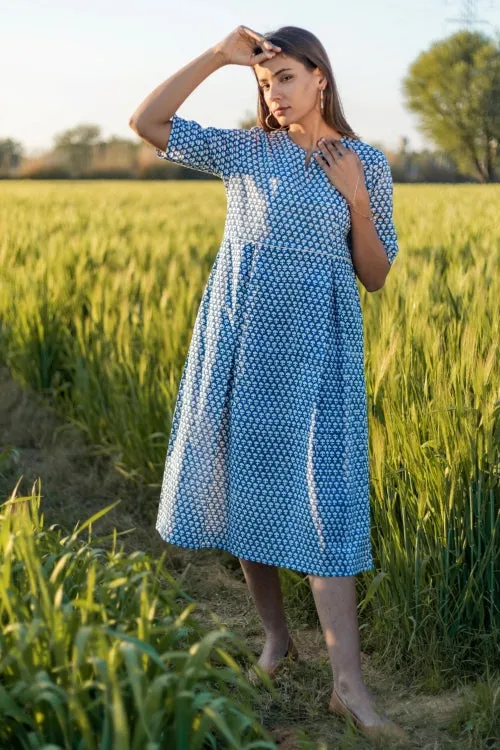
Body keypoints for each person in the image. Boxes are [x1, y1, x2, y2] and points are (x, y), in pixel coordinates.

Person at [129, 25, 406, 743]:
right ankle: (277, 640)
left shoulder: (366, 163)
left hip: (321, 350)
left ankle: (349, 686)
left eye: (285, 77)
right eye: (263, 81)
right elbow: (147, 122)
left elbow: (374, 275)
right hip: (244, 341)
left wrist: (356, 201)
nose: (273, 93)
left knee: (324, 506)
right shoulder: (245, 152)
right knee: (250, 490)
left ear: (321, 78)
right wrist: (219, 56)